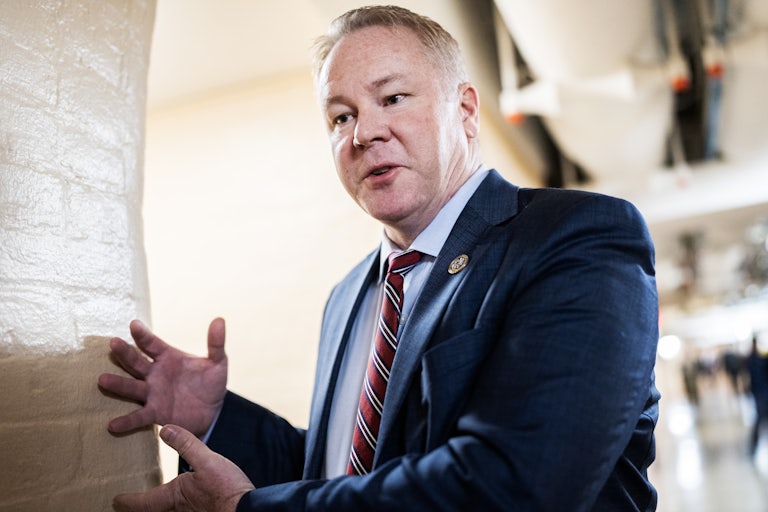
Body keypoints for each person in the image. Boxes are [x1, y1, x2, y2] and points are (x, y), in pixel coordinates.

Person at [98, 5, 660, 511]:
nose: (364, 132)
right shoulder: (349, 296)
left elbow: (516, 483)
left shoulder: (577, 237)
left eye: (392, 98)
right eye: (340, 117)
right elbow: (341, 474)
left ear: (465, 110)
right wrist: (216, 417)